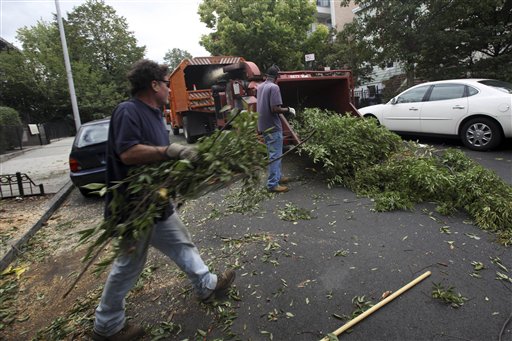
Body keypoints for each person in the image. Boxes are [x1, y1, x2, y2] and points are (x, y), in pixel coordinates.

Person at [92, 59, 235, 341]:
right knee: (128, 266)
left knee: (182, 242)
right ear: (154, 85)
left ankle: (206, 285)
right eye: (167, 84)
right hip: (134, 208)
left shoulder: (155, 114)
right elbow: (129, 153)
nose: (170, 89)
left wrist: (186, 177)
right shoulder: (128, 111)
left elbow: (159, 160)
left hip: (155, 202)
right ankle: (106, 327)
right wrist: (170, 151)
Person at [256, 64, 296, 193]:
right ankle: (272, 184)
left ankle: (278, 177)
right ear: (277, 76)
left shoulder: (260, 86)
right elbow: (275, 109)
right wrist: (288, 110)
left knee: (274, 153)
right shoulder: (274, 87)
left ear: (267, 75)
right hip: (273, 126)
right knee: (275, 156)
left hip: (263, 126)